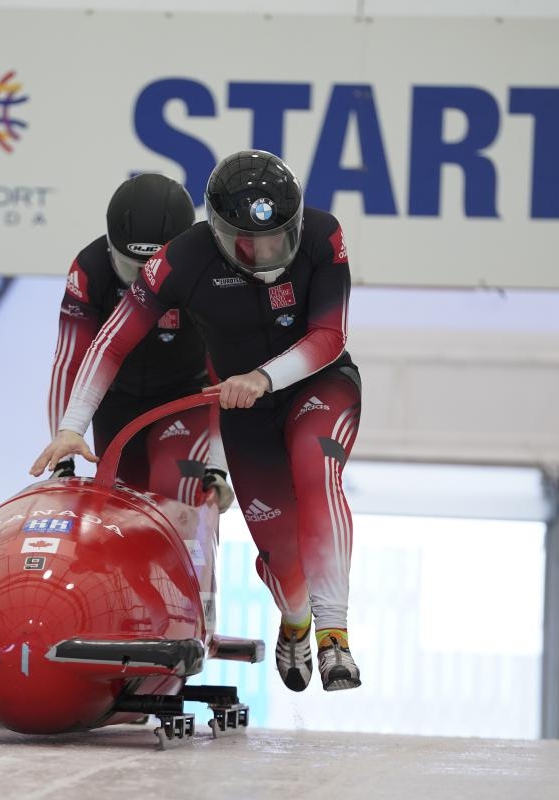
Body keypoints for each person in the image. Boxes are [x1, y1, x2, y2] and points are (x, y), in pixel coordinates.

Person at [31, 150, 362, 692]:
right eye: (252, 243)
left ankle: (334, 633)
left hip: (280, 389)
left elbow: (329, 336)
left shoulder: (324, 237)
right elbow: (97, 346)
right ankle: (288, 617)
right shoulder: (170, 262)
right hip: (217, 406)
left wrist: (229, 434)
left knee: (304, 470)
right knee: (273, 551)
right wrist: (69, 431)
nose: (267, 253)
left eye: (280, 237)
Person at [45, 172, 233, 510]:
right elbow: (69, 362)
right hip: (116, 403)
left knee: (170, 490)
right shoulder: (91, 270)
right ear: (111, 249)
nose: (142, 286)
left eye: (153, 273)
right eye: (132, 270)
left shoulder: (206, 274)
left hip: (184, 401)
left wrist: (218, 466)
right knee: (119, 505)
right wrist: (63, 455)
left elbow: (225, 372)